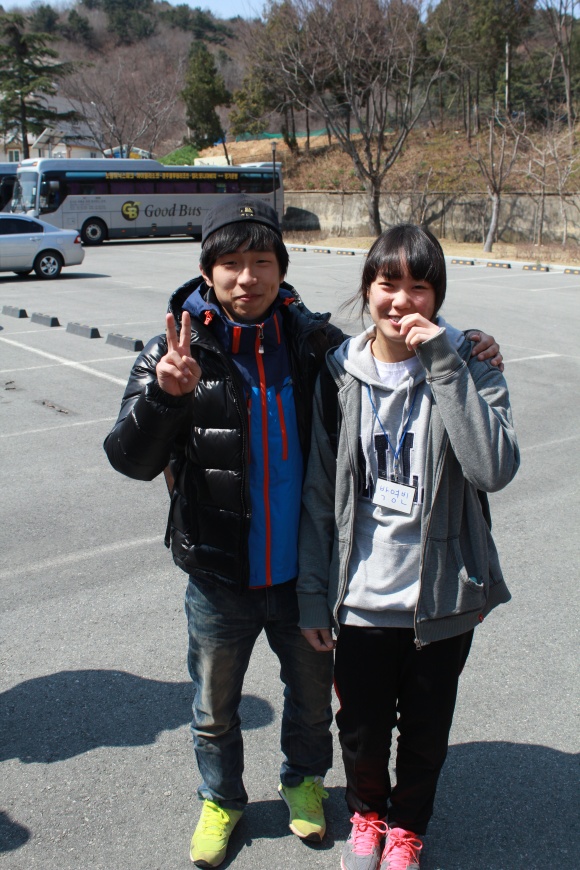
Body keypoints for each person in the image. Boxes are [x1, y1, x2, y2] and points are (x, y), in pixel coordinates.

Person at [104, 199, 503, 869]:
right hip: (219, 574)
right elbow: (129, 459)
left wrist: (467, 342)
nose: (248, 278)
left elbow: (388, 351)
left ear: (282, 270)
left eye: (262, 261)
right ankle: (221, 800)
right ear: (206, 272)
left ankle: (304, 783)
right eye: (231, 263)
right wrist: (166, 397)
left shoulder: (315, 345)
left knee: (314, 705)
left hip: (302, 573)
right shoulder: (169, 352)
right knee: (212, 708)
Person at [297, 224, 519, 870]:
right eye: (387, 283)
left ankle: (407, 830)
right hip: (360, 597)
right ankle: (368, 814)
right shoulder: (340, 373)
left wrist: (447, 363)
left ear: (437, 296)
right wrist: (313, 596)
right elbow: (319, 494)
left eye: (418, 287)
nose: (401, 300)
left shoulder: (472, 364)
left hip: (440, 596)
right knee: (361, 731)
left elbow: (492, 468)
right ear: (367, 289)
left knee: (426, 733)